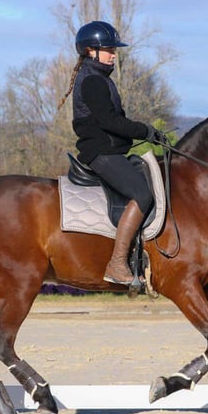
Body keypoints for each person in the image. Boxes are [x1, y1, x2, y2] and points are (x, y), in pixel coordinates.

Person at [58, 20, 167, 285]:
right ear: (89, 51)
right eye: (108, 49)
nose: (114, 53)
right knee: (142, 194)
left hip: (110, 151)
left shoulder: (98, 78)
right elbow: (109, 122)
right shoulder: (93, 81)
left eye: (113, 49)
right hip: (101, 154)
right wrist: (145, 131)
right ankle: (117, 263)